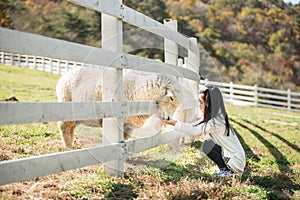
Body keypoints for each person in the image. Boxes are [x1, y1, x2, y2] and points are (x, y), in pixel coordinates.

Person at [160, 85, 246, 177]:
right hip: (234, 156)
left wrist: (173, 123)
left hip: (236, 161)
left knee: (207, 145)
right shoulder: (216, 116)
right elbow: (194, 125)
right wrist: (172, 121)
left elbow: (194, 130)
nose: (199, 106)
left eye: (201, 102)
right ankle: (225, 169)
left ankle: (228, 171)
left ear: (209, 104)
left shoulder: (216, 121)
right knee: (208, 142)